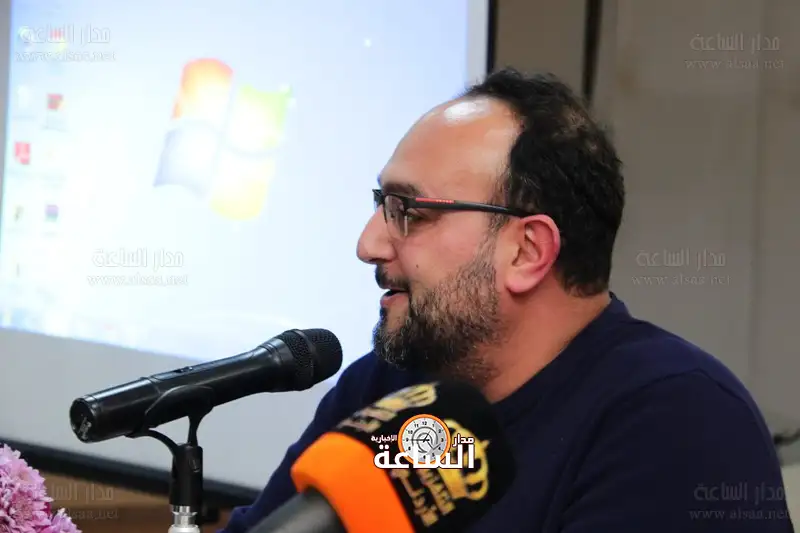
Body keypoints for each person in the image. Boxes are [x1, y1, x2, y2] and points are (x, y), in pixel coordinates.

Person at [220, 68, 794, 532]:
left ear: (527, 251)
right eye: (380, 204)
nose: (368, 244)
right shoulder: (386, 388)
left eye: (408, 210)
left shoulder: (677, 419)